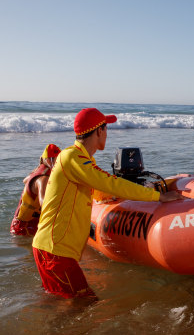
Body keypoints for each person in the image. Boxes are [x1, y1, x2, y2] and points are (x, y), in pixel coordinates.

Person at [31, 108, 184, 301]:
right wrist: (157, 197)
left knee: (63, 302)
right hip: (55, 250)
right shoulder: (72, 157)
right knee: (84, 304)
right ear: (98, 131)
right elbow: (110, 182)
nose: (107, 134)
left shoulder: (81, 159)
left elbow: (100, 189)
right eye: (106, 129)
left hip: (53, 249)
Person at [10, 144, 61, 236]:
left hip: (20, 223)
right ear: (48, 161)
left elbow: (25, 180)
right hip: (25, 227)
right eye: (56, 160)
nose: (59, 164)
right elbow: (44, 203)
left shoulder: (36, 172)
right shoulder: (43, 178)